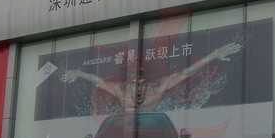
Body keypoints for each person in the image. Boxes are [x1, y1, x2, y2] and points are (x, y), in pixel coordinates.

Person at [61, 42, 242, 111]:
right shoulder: (121, 91)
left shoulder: (156, 89)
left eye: (142, 83)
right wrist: (78, 73)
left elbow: (185, 73)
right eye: (134, 83)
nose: (139, 88)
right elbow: (98, 81)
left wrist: (214, 54)